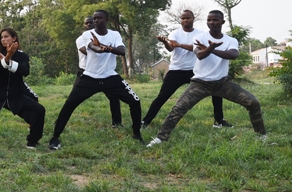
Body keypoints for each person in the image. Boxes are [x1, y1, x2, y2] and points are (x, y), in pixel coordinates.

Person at [148, 11, 266, 147]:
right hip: (200, 83)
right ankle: (161, 138)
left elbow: (233, 54)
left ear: (222, 22)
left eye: (215, 20)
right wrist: (209, 48)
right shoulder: (200, 37)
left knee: (253, 102)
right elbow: (199, 55)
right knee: (178, 109)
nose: (211, 23)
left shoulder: (230, 40)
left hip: (223, 83)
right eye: (209, 20)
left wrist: (212, 49)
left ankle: (261, 135)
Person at [48, 10, 144, 150]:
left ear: (107, 19)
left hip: (110, 76)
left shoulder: (115, 34)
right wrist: (102, 47)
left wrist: (107, 47)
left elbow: (122, 51)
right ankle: (55, 137)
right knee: (69, 104)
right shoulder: (87, 35)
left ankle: (136, 133)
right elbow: (94, 48)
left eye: (99, 18)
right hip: (90, 77)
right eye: (94, 18)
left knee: (135, 101)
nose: (96, 21)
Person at [141, 10, 229, 129]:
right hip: (177, 70)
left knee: (216, 91)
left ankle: (219, 121)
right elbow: (171, 48)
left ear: (193, 19)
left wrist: (180, 44)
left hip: (195, 70)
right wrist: (164, 43)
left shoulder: (200, 34)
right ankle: (145, 121)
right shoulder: (174, 33)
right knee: (162, 96)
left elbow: (196, 48)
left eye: (188, 18)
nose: (185, 20)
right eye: (183, 18)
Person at [76, 16, 123, 128]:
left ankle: (117, 123)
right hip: (85, 72)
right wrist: (104, 48)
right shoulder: (81, 39)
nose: (89, 25)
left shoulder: (106, 37)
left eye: (91, 22)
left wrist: (106, 48)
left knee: (114, 97)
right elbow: (91, 53)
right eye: (86, 23)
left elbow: (114, 50)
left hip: (104, 73)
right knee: (73, 99)